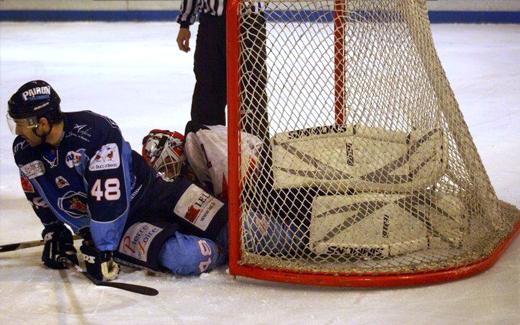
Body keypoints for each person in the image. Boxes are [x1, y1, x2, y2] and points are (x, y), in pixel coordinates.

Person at [7, 80, 228, 281]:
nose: (17, 131)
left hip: (155, 191)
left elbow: (108, 199)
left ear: (42, 123)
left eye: (20, 124)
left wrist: (103, 248)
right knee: (186, 257)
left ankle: (227, 240)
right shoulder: (25, 151)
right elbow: (37, 194)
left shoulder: (94, 132)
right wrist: (54, 230)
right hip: (126, 227)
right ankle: (222, 253)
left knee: (235, 227)